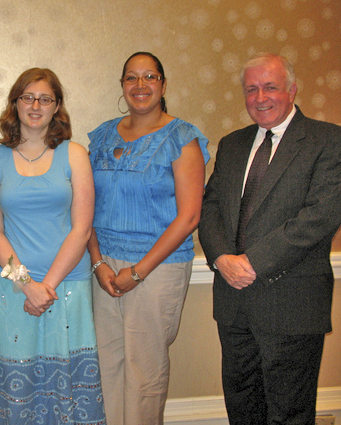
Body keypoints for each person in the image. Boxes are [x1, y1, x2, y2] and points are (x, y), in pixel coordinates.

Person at [198, 53, 341, 424]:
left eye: (270, 87)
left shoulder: (330, 141)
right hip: (233, 303)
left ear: (292, 90)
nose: (260, 97)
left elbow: (319, 217)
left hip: (292, 303)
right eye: (251, 89)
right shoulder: (232, 144)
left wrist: (251, 262)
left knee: (289, 413)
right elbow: (210, 208)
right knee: (243, 408)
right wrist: (221, 259)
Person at [88, 51, 209, 425]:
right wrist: (97, 262)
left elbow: (189, 217)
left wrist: (138, 272)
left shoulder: (182, 137)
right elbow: (85, 205)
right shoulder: (102, 134)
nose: (140, 86)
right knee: (107, 366)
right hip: (104, 268)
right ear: (122, 85)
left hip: (157, 269)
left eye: (150, 77)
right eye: (131, 78)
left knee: (145, 372)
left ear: (163, 84)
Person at [0, 68, 105, 424]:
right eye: (27, 97)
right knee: (18, 381)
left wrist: (45, 287)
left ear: (57, 107)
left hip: (67, 286)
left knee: (68, 381)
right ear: (15, 103)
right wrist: (27, 285)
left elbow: (81, 230)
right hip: (14, 289)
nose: (35, 105)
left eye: (45, 99)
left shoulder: (75, 154)